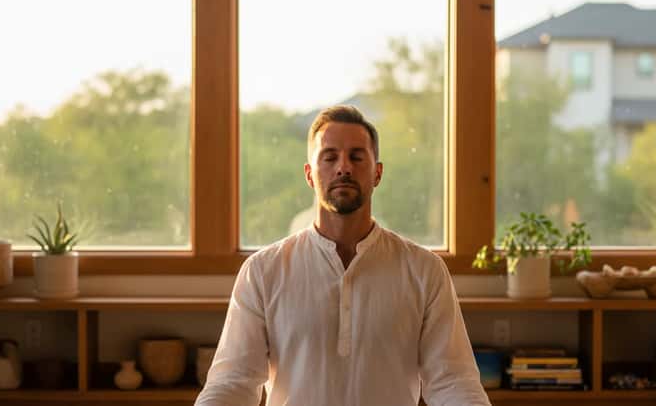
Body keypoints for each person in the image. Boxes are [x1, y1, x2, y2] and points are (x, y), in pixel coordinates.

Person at [195, 105, 491, 406]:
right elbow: (232, 383)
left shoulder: (424, 270)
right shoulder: (262, 271)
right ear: (310, 174)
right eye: (330, 156)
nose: (344, 167)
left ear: (377, 173)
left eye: (357, 156)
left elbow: (453, 383)